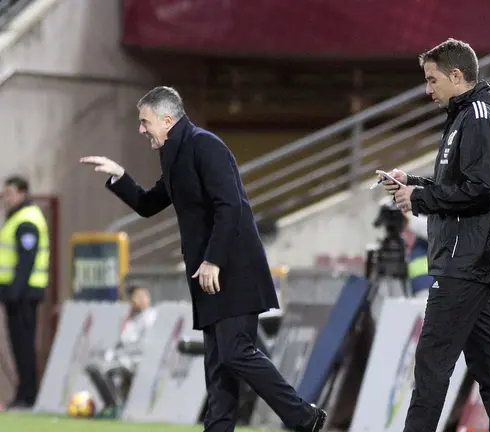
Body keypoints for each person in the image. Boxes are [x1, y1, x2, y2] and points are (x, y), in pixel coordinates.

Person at [79, 87, 325, 432]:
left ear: (167, 120)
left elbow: (231, 206)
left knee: (235, 353)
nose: (141, 129)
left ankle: (305, 416)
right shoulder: (176, 154)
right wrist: (119, 175)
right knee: (218, 366)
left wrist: (213, 260)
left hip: (232, 270)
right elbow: (149, 204)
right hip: (210, 275)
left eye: (144, 122)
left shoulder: (205, 145)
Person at [382, 38, 490, 432]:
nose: (428, 90)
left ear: (456, 75)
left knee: (431, 364)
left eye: (432, 80)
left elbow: (483, 190)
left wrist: (421, 198)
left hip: (465, 259)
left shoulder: (477, 117)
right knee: (488, 365)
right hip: (469, 257)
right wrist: (413, 183)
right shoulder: (469, 115)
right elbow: (464, 185)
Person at [0, 176, 49, 409]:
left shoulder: (26, 220)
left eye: (9, 193)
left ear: (22, 193)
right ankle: (23, 393)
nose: (5, 198)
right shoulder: (17, 218)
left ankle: (28, 396)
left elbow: (25, 262)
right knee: (19, 347)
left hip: (23, 296)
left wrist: (12, 293)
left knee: (24, 346)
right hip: (16, 294)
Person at [85, 285, 157, 411]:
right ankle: (112, 404)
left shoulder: (150, 317)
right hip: (124, 357)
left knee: (107, 369)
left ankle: (114, 406)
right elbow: (121, 341)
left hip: (137, 360)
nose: (138, 300)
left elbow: (143, 345)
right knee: (95, 368)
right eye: (136, 297)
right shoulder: (130, 319)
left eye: (142, 297)